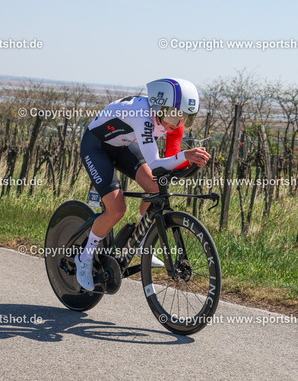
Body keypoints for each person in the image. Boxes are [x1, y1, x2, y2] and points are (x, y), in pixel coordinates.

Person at [75, 78, 210, 291]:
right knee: (117, 209)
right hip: (96, 147)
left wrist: (192, 163)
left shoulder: (174, 123)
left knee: (156, 188)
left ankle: (141, 242)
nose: (178, 122)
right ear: (159, 106)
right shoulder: (142, 115)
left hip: (123, 146)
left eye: (186, 117)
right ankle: (84, 257)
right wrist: (187, 155)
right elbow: (156, 163)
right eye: (174, 115)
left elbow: (172, 158)